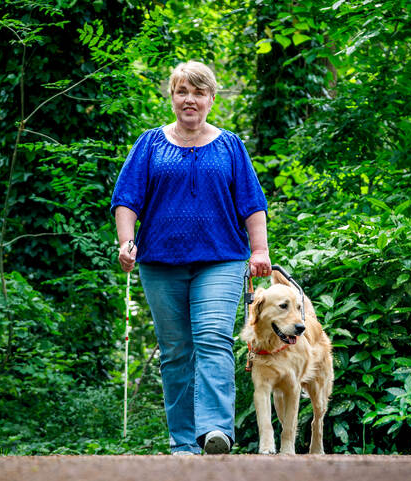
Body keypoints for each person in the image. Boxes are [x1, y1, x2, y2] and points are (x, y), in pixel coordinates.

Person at [110, 61, 271, 455]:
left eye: (199, 93)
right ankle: (183, 440)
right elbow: (126, 199)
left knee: (213, 338)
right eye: (183, 92)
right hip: (161, 262)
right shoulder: (149, 144)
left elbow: (252, 204)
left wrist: (260, 249)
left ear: (212, 99)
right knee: (176, 349)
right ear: (172, 97)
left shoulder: (231, 146)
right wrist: (126, 242)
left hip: (221, 259)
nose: (190, 100)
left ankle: (215, 430)